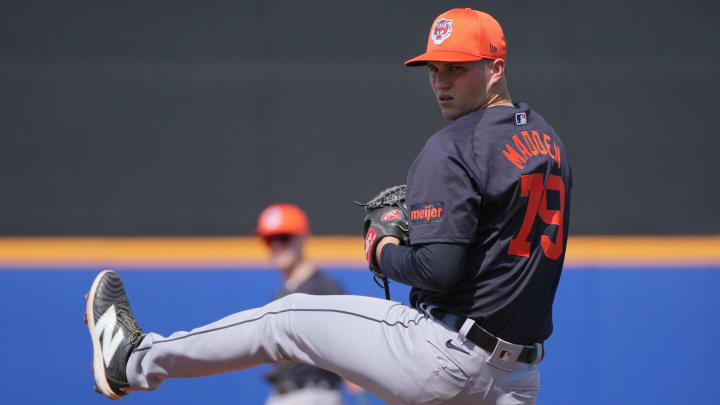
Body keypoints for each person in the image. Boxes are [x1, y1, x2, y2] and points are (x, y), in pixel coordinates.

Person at [84, 9, 571, 405]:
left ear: (496, 69)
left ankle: (132, 360)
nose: (441, 82)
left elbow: (438, 270)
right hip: (518, 381)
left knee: (288, 320)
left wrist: (380, 249)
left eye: (457, 68)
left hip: (444, 358)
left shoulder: (453, 146)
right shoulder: (548, 142)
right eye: (435, 69)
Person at [256, 204, 346, 405]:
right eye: (269, 239)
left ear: (302, 237)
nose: (276, 246)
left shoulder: (324, 288)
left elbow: (349, 347)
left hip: (314, 394)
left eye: (284, 238)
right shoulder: (283, 293)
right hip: (283, 394)